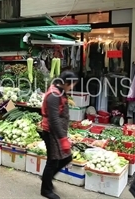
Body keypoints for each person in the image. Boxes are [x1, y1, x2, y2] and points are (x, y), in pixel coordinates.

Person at [39, 71, 78, 199]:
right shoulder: (54, 95)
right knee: (53, 160)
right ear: (66, 83)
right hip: (51, 132)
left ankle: (47, 178)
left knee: (66, 158)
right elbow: (54, 120)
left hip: (57, 132)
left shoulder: (59, 91)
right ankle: (46, 189)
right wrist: (63, 139)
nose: (72, 88)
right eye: (71, 85)